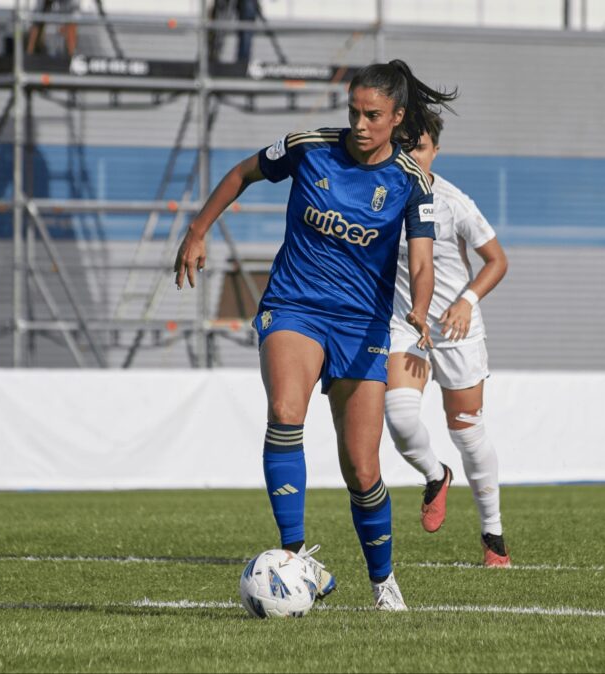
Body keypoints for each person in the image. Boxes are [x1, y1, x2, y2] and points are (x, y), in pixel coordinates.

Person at [174, 60, 457, 611]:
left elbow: (422, 262)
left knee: (363, 466)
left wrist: (421, 310)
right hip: (294, 307)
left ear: (397, 118)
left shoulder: (411, 180)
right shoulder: (309, 147)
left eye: (372, 115)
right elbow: (241, 175)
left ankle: (384, 582)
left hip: (362, 325)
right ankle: (294, 558)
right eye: (353, 111)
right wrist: (197, 230)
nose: (359, 123)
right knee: (285, 411)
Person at [383, 114, 511, 568]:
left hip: (456, 330)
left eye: (419, 147)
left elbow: (496, 260)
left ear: (435, 151)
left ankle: (493, 535)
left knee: (467, 431)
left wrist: (467, 301)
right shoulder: (378, 195)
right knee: (398, 418)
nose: (410, 156)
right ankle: (436, 476)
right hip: (406, 324)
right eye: (403, 147)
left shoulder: (453, 201)